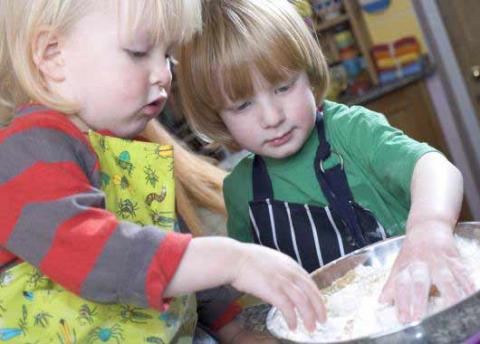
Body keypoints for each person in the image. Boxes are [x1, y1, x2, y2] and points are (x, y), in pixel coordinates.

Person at [0, 0, 327, 342]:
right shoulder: (25, 151)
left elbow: (172, 247)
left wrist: (231, 329)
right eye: (139, 52)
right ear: (53, 55)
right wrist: (232, 260)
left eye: (168, 55)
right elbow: (95, 253)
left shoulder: (131, 148)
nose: (163, 74)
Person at [175, 0, 475, 324]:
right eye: (242, 105)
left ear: (309, 74)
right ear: (217, 115)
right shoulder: (240, 191)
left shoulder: (350, 131)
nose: (272, 117)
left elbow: (434, 168)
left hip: (419, 308)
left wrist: (428, 228)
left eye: (283, 87)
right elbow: (256, 286)